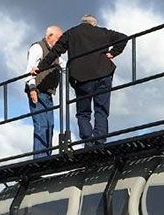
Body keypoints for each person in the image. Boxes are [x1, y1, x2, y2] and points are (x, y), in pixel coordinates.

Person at [33, 14, 128, 144]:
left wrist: (40, 68)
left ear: (83, 22)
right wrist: (112, 53)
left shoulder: (72, 33)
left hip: (81, 77)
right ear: (93, 24)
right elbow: (123, 38)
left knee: (83, 112)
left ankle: (88, 140)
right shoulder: (102, 32)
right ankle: (99, 140)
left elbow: (55, 52)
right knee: (101, 109)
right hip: (103, 74)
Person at [25, 25, 63, 159]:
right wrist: (32, 88)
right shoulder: (38, 47)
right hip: (38, 91)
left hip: (47, 93)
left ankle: (47, 156)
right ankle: (40, 158)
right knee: (41, 125)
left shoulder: (56, 53)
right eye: (59, 38)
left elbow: (64, 65)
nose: (60, 41)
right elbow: (29, 69)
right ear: (50, 36)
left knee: (50, 125)